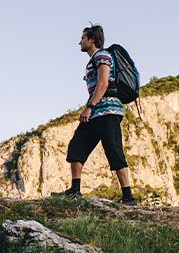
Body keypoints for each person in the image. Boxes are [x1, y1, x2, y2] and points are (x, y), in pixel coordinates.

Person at [53, 24, 136, 205]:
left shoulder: (102, 56)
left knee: (114, 150)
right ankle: (75, 190)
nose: (79, 42)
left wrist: (89, 106)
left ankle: (128, 197)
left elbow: (103, 83)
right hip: (95, 113)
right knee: (76, 147)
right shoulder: (92, 60)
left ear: (91, 40)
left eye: (83, 38)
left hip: (108, 111)